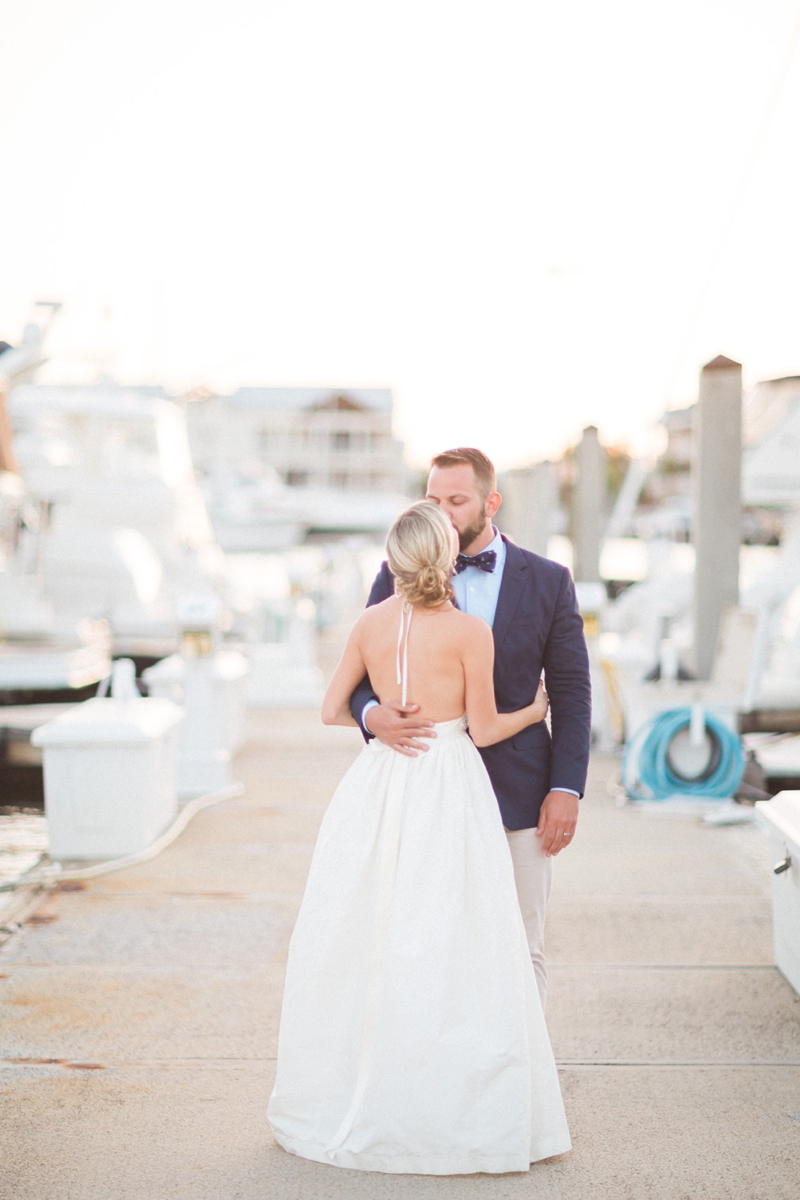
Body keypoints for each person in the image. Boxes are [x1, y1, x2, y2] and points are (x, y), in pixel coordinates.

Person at [268, 501, 571, 1174]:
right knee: (454, 938)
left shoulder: (371, 623)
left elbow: (329, 708)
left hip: (380, 784)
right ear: (445, 554)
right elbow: (487, 729)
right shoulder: (468, 632)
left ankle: (370, 1089)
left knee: (372, 932)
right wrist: (538, 708)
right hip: (449, 785)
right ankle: (449, 1091)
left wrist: (377, 715)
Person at [351, 447, 592, 1010]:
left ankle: (522, 1087)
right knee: (425, 945)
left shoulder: (549, 581)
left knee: (521, 945)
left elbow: (573, 695)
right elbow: (361, 672)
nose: (442, 513)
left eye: (456, 501)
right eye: (432, 500)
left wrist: (566, 788)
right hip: (423, 789)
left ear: (491, 502)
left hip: (521, 794)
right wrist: (371, 716)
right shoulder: (395, 573)